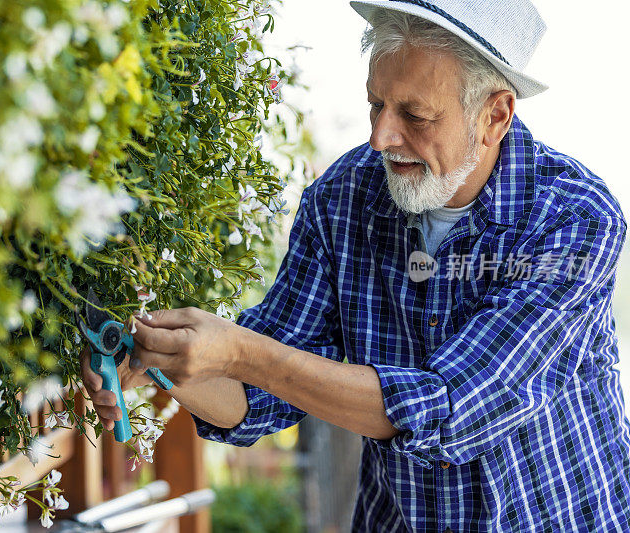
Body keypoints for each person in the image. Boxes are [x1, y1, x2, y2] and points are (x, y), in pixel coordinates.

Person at [80, 0, 630, 530]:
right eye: (376, 105)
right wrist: (168, 360)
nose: (381, 138)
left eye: (415, 115)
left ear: (495, 115)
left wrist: (241, 351)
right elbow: (255, 396)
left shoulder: (575, 219)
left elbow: (452, 408)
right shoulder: (343, 199)